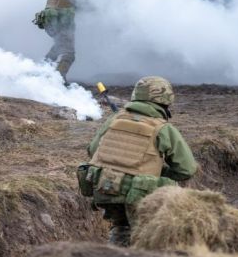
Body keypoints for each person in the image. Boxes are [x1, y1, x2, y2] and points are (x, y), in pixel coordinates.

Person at [77, 76, 198, 246]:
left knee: (121, 227)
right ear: (165, 100)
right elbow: (186, 169)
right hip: (140, 192)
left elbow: (92, 150)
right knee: (147, 232)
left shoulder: (114, 120)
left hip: (106, 187)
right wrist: (158, 171)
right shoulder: (163, 128)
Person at [35, 0, 92, 83]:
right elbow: (83, 5)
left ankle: (40, 72)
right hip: (62, 22)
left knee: (58, 47)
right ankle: (58, 80)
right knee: (69, 54)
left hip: (48, 21)